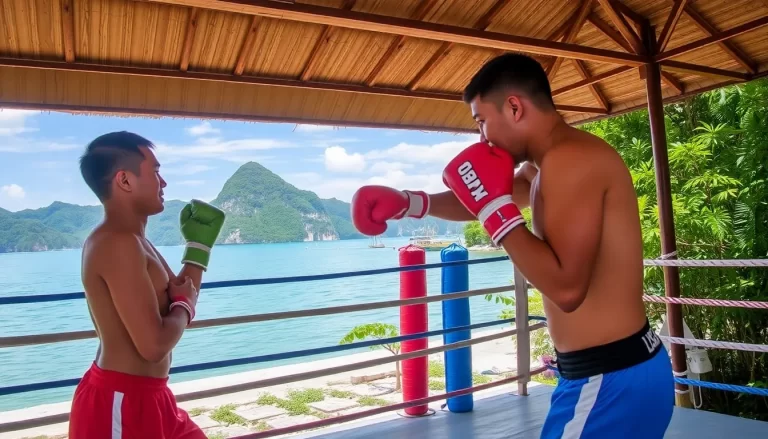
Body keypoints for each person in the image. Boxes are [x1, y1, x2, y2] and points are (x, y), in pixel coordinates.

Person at [350, 54, 674, 438]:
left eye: (482, 121)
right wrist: (412, 202)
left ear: (514, 107)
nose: (482, 137)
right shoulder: (547, 165)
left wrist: (495, 213)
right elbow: (498, 194)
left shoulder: (571, 160)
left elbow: (567, 288)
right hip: (621, 370)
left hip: (608, 381)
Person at [69, 131, 226, 439]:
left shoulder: (136, 242)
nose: (163, 183)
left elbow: (181, 296)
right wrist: (183, 307)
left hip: (153, 397)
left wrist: (198, 248)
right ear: (125, 181)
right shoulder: (116, 243)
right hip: (121, 404)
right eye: (155, 172)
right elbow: (153, 345)